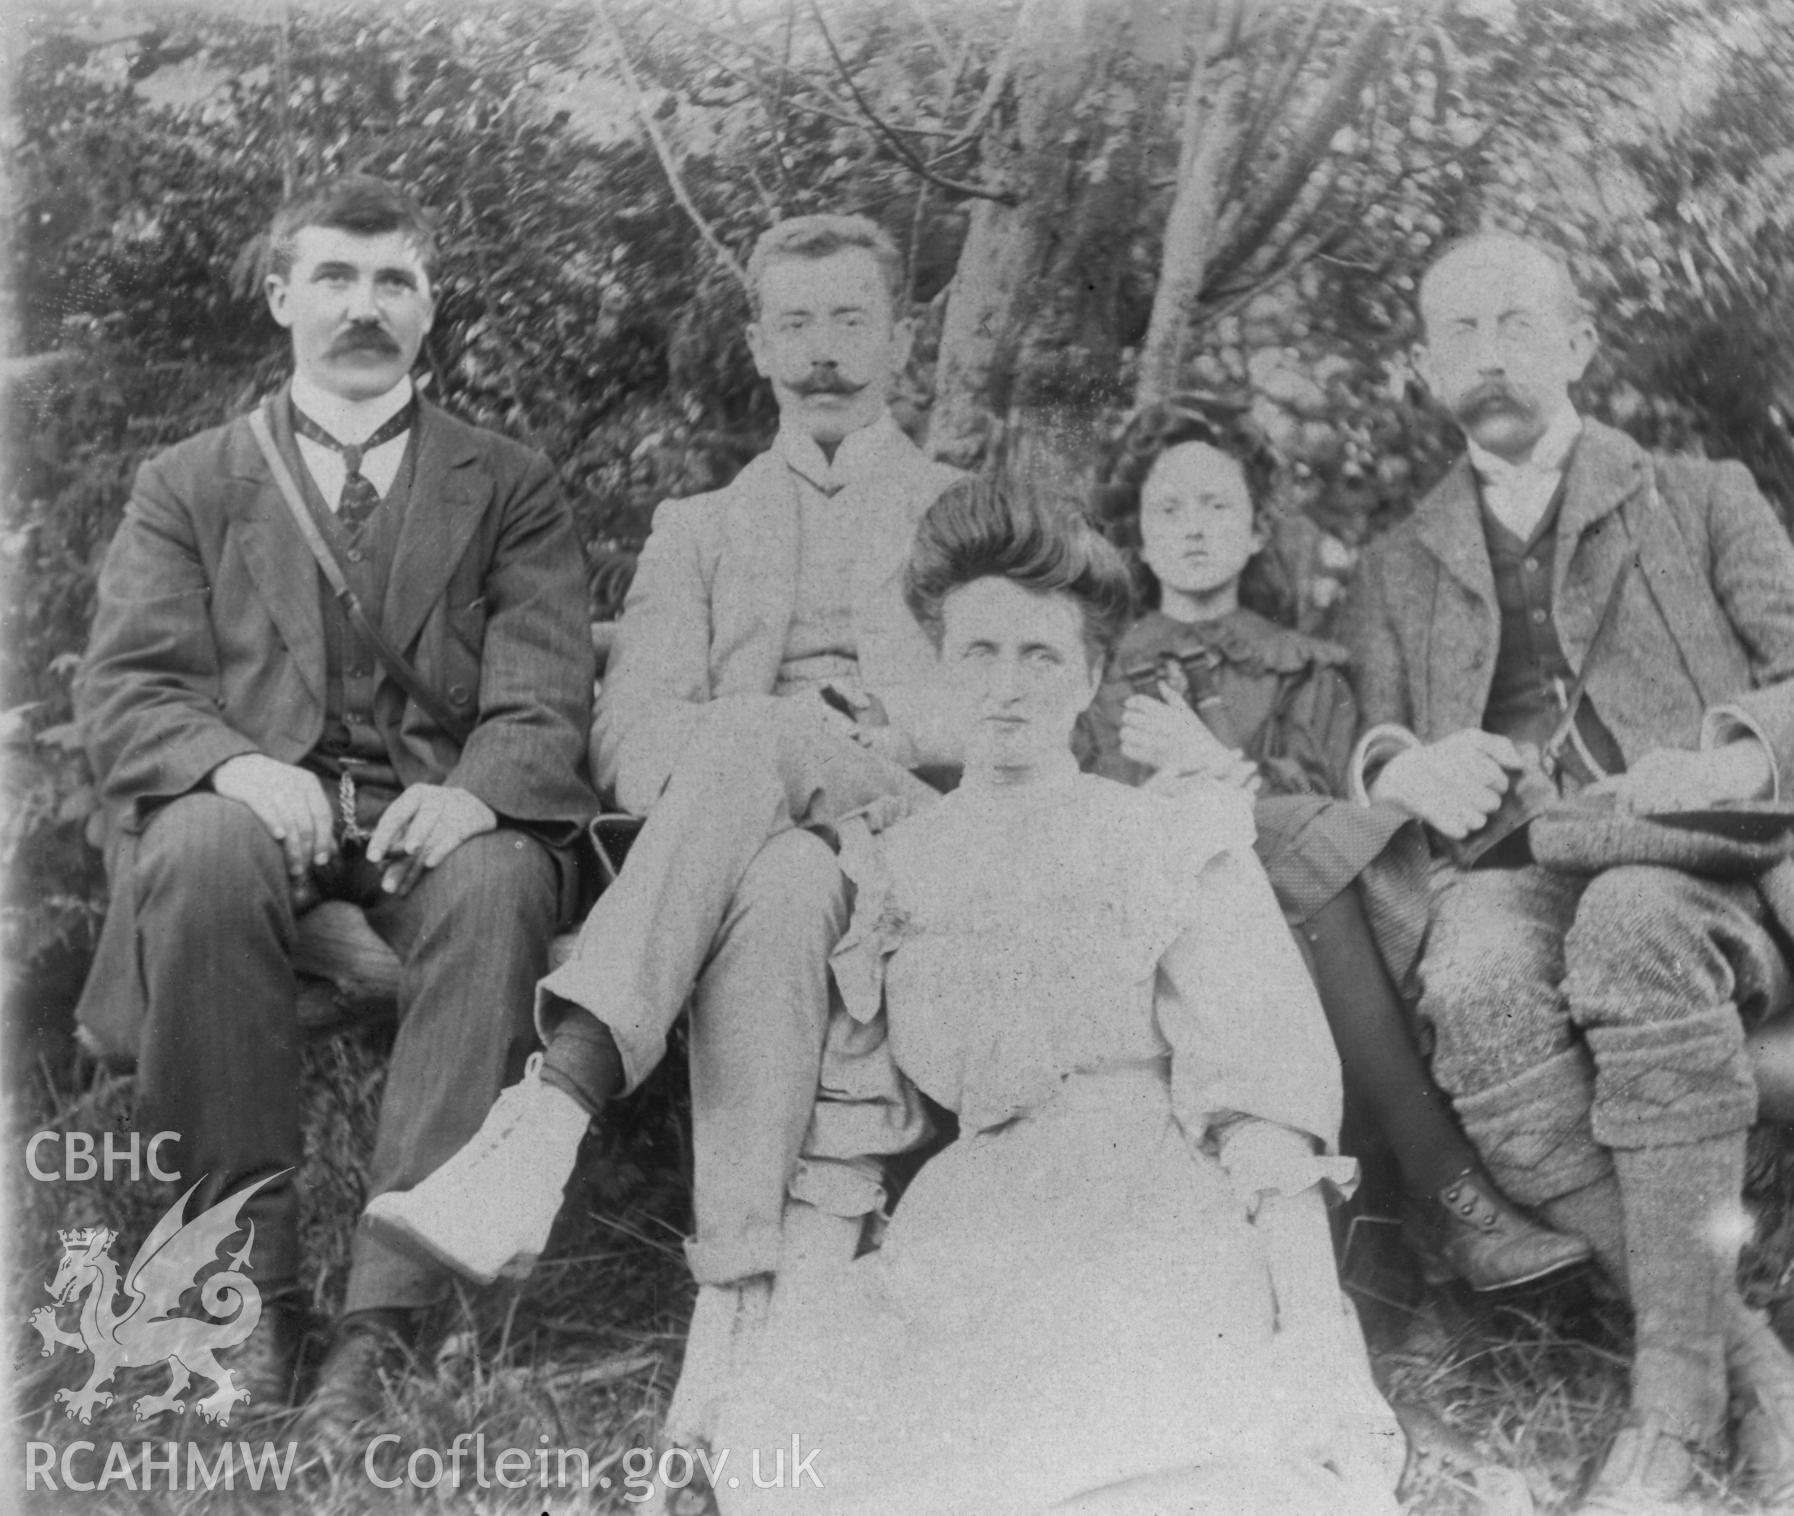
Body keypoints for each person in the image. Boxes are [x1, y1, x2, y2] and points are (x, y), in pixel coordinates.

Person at [365, 214, 964, 1440]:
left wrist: (860, 736)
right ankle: (736, 1313)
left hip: (923, 841)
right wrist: (771, 735)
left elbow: (1020, 700)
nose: (823, 352)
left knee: (756, 738)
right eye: (793, 323)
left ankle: (553, 1111)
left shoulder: (969, 515)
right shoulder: (698, 529)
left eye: (852, 319)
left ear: (903, 340)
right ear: (754, 344)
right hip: (764, 860)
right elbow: (631, 745)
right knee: (786, 881)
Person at [715, 480, 1404, 1516]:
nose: (1009, 686)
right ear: (941, 666)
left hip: (1152, 1219)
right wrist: (782, 1354)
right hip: (970, 1230)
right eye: (979, 654)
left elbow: (1264, 1112)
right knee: (797, 1452)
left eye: (1041, 656)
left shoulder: (1168, 836)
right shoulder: (897, 864)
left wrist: (1316, 1337)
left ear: (1089, 677)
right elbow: (849, 1147)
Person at [1341, 230, 1794, 1510]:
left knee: (1628, 921)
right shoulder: (1394, 564)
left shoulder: (1699, 495)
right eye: (1458, 333)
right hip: (1518, 880)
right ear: (1424, 369)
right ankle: (1757, 1367)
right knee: (1468, 979)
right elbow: (1362, 750)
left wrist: (1732, 761)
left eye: (1517, 322)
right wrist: (1405, 771)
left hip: (1719, 873)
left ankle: (1673, 1409)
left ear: (1578, 342)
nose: (1489, 353)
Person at [73, 175, 596, 1446]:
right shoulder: (191, 483)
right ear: (279, 297)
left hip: (433, 835)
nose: (364, 307)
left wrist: (472, 799)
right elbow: (130, 690)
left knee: (504, 881)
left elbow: (544, 695)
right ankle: (241, 1284)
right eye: (334, 278)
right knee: (194, 844)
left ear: (430, 308)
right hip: (260, 828)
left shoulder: (510, 482)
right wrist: (237, 767)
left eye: (394, 281)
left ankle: (386, 1318)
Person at [1082, 394, 1589, 1292]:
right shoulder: (1103, 681)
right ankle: (1450, 1189)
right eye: (1168, 509)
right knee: (1246, 836)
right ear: (1138, 536)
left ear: (1253, 532)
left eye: (1216, 507)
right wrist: (1213, 794)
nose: (1192, 529)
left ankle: (1393, 1238)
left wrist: (1215, 769)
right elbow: (1100, 818)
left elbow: (1330, 827)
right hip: (1156, 926)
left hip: (1302, 925)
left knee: (1304, 853)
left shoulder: (1307, 669)